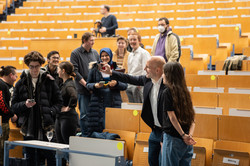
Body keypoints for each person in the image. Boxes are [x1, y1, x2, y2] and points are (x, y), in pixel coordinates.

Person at [101, 56, 166, 166]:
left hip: (167, 132)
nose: (145, 69)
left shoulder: (168, 85)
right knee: (152, 161)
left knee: (164, 163)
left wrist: (165, 137)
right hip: (155, 130)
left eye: (148, 67)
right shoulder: (148, 80)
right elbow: (130, 78)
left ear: (157, 70)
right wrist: (111, 72)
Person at [12, 51, 63, 166]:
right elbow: (14, 106)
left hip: (46, 125)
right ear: (27, 66)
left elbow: (59, 102)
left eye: (37, 66)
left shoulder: (49, 81)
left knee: (50, 156)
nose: (34, 69)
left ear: (41, 65)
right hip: (28, 126)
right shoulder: (20, 83)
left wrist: (50, 111)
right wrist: (24, 104)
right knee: (30, 158)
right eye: (31, 67)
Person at [86, 48, 127, 137]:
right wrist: (95, 85)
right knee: (98, 129)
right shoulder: (94, 69)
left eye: (106, 56)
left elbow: (125, 86)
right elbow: (88, 84)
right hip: (97, 103)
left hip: (113, 102)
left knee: (112, 128)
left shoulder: (116, 69)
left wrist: (116, 83)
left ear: (110, 56)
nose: (104, 58)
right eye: (102, 56)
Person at [161, 62, 196, 166]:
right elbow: (193, 119)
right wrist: (189, 136)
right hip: (187, 142)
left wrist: (183, 135)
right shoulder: (185, 91)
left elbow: (172, 117)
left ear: (168, 75)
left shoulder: (167, 92)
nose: (162, 75)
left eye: (164, 73)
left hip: (173, 139)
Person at [70, 32, 99, 136]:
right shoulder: (75, 53)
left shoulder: (95, 53)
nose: (93, 42)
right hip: (83, 90)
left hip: (94, 89)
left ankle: (93, 134)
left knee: (94, 114)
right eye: (91, 40)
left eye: (93, 40)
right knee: (84, 114)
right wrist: (86, 85)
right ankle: (85, 134)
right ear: (84, 41)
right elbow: (75, 72)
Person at [55, 61, 78, 144]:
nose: (57, 72)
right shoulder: (64, 83)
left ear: (63, 71)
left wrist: (69, 107)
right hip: (61, 116)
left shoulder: (69, 84)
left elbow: (74, 96)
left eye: (58, 69)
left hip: (68, 118)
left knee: (66, 143)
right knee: (60, 143)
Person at [0, 66, 18, 166]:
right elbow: (1, 103)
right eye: (16, 76)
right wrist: (11, 114)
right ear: (11, 75)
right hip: (2, 122)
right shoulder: (2, 85)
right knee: (2, 147)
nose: (16, 78)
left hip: (3, 121)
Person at [127, 32, 151, 103]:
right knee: (131, 108)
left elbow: (146, 69)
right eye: (130, 40)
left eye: (134, 39)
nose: (132, 41)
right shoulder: (130, 55)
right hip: (130, 84)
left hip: (139, 85)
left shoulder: (144, 53)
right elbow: (129, 70)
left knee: (139, 107)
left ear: (139, 41)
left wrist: (140, 83)